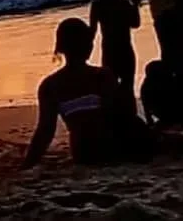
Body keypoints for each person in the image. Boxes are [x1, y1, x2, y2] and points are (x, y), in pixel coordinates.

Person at [23, 18, 152, 168]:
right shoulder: (102, 75)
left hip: (82, 152)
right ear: (88, 45)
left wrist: (27, 164)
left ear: (61, 48)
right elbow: (120, 115)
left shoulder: (49, 85)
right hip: (109, 146)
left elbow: (45, 132)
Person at [88, 0, 140, 108]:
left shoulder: (97, 5)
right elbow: (135, 24)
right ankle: (130, 117)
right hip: (125, 50)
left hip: (109, 51)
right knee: (127, 88)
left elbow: (92, 31)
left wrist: (86, 50)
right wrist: (135, 4)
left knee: (110, 89)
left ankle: (113, 119)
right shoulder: (124, 3)